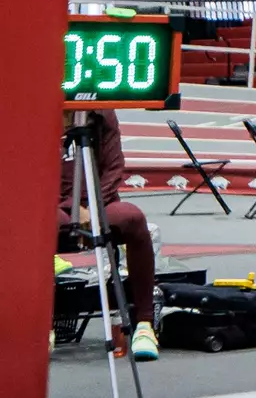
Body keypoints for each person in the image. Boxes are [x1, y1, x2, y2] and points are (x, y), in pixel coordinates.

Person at [59, 111, 159, 360]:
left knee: (133, 219)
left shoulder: (103, 113)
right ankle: (35, 323)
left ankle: (144, 324)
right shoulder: (33, 108)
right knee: (35, 227)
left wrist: (92, 210)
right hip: (54, 205)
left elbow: (114, 168)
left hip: (100, 203)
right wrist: (72, 210)